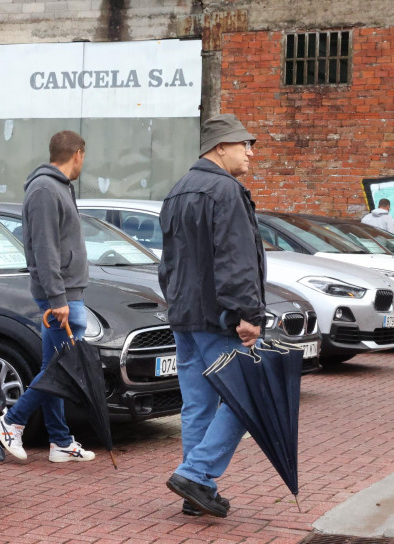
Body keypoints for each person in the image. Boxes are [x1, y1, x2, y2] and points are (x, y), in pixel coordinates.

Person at [157, 113, 267, 518]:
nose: (250, 152)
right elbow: (236, 260)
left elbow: (166, 265)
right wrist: (248, 314)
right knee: (249, 400)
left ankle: (196, 491)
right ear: (220, 147)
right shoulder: (226, 191)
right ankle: (195, 473)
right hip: (219, 321)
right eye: (244, 144)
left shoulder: (178, 190)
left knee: (198, 406)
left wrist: (176, 305)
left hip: (185, 319)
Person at [0, 130, 96, 463]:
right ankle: (12, 421)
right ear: (78, 154)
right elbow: (44, 249)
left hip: (68, 292)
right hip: (62, 296)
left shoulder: (58, 187)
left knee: (55, 366)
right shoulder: (44, 189)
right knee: (59, 368)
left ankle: (60, 441)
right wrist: (58, 300)